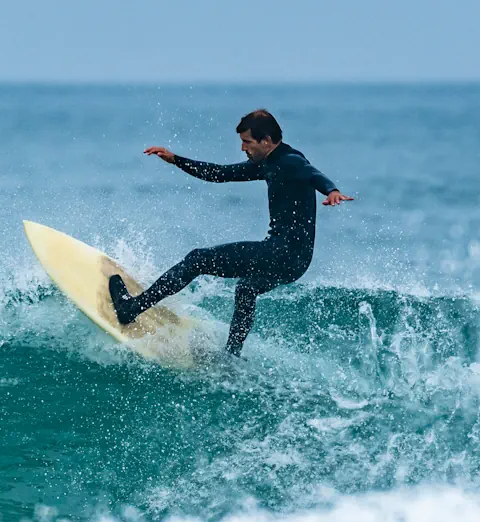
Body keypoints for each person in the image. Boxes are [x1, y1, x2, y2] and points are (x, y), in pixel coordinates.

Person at [109, 109, 353, 356]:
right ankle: (232, 354)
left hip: (282, 252)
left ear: (266, 141)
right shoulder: (267, 163)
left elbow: (313, 174)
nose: (243, 149)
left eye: (247, 142)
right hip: (296, 262)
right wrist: (176, 160)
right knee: (246, 288)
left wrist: (331, 190)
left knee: (197, 259)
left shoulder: (291, 162)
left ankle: (133, 308)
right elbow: (220, 174)